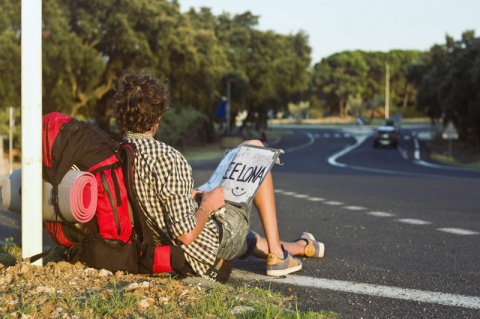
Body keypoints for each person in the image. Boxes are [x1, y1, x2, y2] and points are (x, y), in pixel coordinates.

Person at [111, 69, 325, 282]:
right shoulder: (166, 157)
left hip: (156, 243)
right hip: (197, 251)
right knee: (255, 151)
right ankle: (278, 257)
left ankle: (299, 246)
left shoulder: (121, 151)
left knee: (248, 238)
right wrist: (207, 205)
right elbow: (186, 235)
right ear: (158, 115)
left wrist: (191, 196)